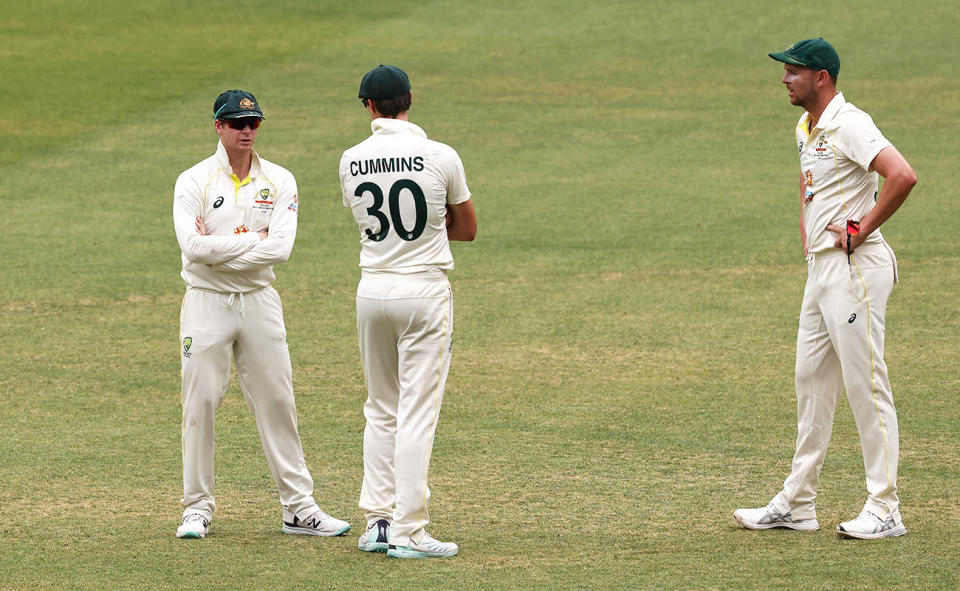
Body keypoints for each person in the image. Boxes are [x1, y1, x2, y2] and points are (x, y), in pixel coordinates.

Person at [734, 39, 917, 539]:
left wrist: (860, 228)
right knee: (811, 381)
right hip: (823, 271)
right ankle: (798, 503)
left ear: (822, 77)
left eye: (793, 71)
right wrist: (807, 235)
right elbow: (808, 182)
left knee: (866, 386)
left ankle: (885, 508)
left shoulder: (850, 122)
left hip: (855, 269)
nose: (784, 79)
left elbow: (902, 176)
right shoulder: (806, 126)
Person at [172, 89, 349, 539]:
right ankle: (196, 507)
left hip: (259, 301)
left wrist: (218, 250)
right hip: (206, 301)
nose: (247, 130)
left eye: (253, 123)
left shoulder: (280, 180)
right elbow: (191, 249)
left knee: (277, 401)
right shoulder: (193, 180)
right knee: (201, 404)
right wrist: (254, 240)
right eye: (237, 123)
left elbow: (282, 249)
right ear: (218, 126)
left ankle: (298, 508)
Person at [339, 65, 477, 559]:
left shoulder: (350, 160)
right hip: (422, 291)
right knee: (417, 412)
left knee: (380, 408)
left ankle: (378, 522)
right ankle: (410, 530)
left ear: (370, 107)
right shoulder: (441, 155)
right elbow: (467, 229)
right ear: (410, 99)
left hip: (371, 291)